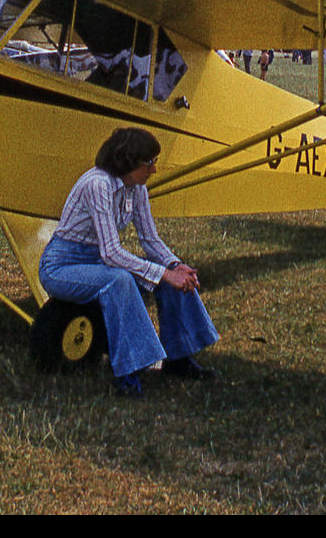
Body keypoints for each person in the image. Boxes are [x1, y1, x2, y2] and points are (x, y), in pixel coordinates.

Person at [38, 127, 219, 398]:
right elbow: (111, 252)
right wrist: (163, 273)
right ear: (127, 161)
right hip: (62, 266)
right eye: (149, 163)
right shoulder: (97, 185)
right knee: (120, 279)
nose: (154, 170)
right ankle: (128, 376)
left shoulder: (137, 189)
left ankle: (179, 359)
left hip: (98, 263)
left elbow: (150, 239)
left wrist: (174, 265)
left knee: (166, 274)